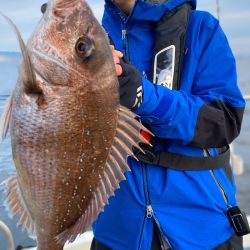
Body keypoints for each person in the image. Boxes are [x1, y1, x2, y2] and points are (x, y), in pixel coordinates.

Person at [91, 0, 248, 249]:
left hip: (202, 231)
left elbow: (224, 121)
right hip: (115, 232)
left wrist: (145, 97)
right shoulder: (91, 41)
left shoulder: (201, 28)